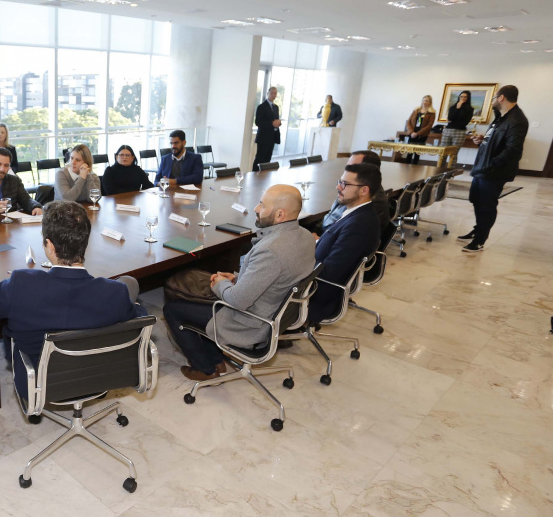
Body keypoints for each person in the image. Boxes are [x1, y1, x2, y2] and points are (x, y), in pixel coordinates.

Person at [0, 200, 146, 399]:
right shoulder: (115, 293)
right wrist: (136, 306)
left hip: (39, 386)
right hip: (99, 378)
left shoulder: (21, 284)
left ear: (50, 246)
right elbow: (139, 319)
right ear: (85, 242)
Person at [162, 185, 315, 381]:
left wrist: (220, 284)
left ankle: (205, 369)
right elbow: (276, 276)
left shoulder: (271, 250)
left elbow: (238, 300)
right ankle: (216, 360)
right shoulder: (305, 236)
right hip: (274, 311)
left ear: (280, 215)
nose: (256, 209)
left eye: (262, 205)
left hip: (251, 322)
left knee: (173, 309)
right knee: (198, 295)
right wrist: (237, 278)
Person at [458, 85, 528, 253]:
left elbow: (512, 149)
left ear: (501, 98)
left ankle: (480, 240)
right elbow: (497, 140)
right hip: (483, 167)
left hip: (495, 171)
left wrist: (492, 163)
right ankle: (478, 229)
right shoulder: (500, 117)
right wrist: (483, 140)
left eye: (494, 97)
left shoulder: (517, 120)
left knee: (487, 205)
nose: (492, 101)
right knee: (476, 199)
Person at [310, 163, 382, 323]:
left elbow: (330, 273)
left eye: (345, 184)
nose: (338, 187)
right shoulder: (356, 213)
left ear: (364, 190)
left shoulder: (360, 225)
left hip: (314, 295)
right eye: (339, 182)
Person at [313, 150, 390, 236]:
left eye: (353, 167)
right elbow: (331, 216)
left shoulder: (370, 204)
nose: (348, 169)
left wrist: (318, 239)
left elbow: (345, 235)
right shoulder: (349, 188)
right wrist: (315, 230)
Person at [253, 87, 281, 169]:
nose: (273, 95)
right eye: (272, 93)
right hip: (263, 137)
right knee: (260, 158)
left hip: (272, 137)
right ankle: (254, 174)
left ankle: (264, 175)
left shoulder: (276, 107)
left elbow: (276, 120)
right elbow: (258, 122)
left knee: (268, 159)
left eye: (275, 93)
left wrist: (278, 123)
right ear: (268, 93)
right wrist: (272, 123)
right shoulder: (261, 107)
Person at [403, 95, 436, 164]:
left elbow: (429, 125)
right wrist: (411, 132)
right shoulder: (416, 111)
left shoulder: (431, 113)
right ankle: (406, 166)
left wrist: (417, 133)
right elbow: (408, 122)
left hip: (422, 135)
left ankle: (414, 167)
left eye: (427, 101)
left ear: (430, 103)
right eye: (423, 100)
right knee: (410, 151)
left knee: (417, 153)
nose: (424, 102)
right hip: (412, 134)